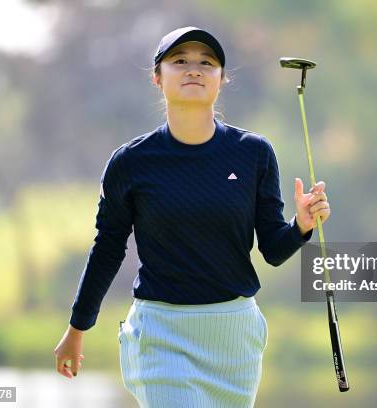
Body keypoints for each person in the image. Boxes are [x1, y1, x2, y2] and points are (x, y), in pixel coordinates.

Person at [53, 26, 331, 407]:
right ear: (158, 77)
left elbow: (272, 250)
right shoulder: (131, 162)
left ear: (222, 79)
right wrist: (77, 327)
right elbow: (108, 249)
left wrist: (301, 226)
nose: (194, 70)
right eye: (179, 61)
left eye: (207, 63)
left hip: (234, 336)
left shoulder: (253, 153)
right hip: (160, 332)